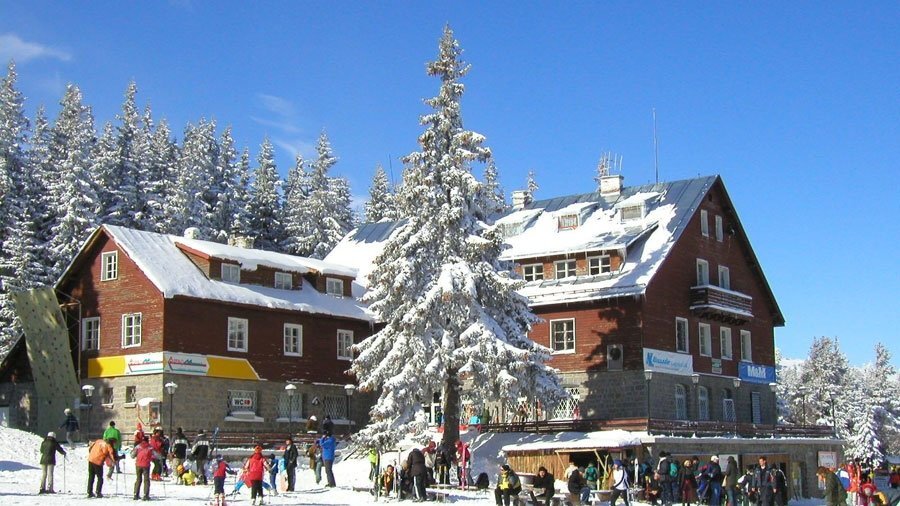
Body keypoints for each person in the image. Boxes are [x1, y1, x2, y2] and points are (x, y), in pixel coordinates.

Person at [132, 434, 160, 501]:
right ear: (147, 441)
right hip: (146, 465)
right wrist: (161, 457)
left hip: (138, 464)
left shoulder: (138, 446)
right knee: (146, 480)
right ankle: (145, 495)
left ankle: (136, 494)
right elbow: (156, 455)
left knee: (138, 479)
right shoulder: (150, 447)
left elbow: (132, 455)